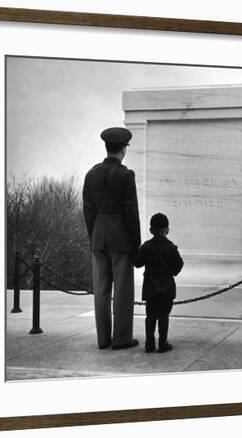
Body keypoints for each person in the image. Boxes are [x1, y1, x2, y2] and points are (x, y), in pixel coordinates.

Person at [82, 127, 141, 350]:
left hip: (98, 237)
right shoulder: (126, 175)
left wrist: (94, 236)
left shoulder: (91, 173)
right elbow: (130, 212)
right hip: (120, 239)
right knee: (123, 292)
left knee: (101, 291)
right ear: (124, 149)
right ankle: (122, 338)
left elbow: (88, 210)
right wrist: (135, 244)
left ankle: (103, 339)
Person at [133, 213, 184, 353]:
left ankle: (149, 343)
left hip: (150, 287)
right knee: (163, 316)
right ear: (167, 230)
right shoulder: (171, 248)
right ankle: (163, 343)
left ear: (151, 230)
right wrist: (171, 272)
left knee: (150, 317)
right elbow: (179, 265)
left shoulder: (146, 247)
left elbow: (137, 263)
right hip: (167, 288)